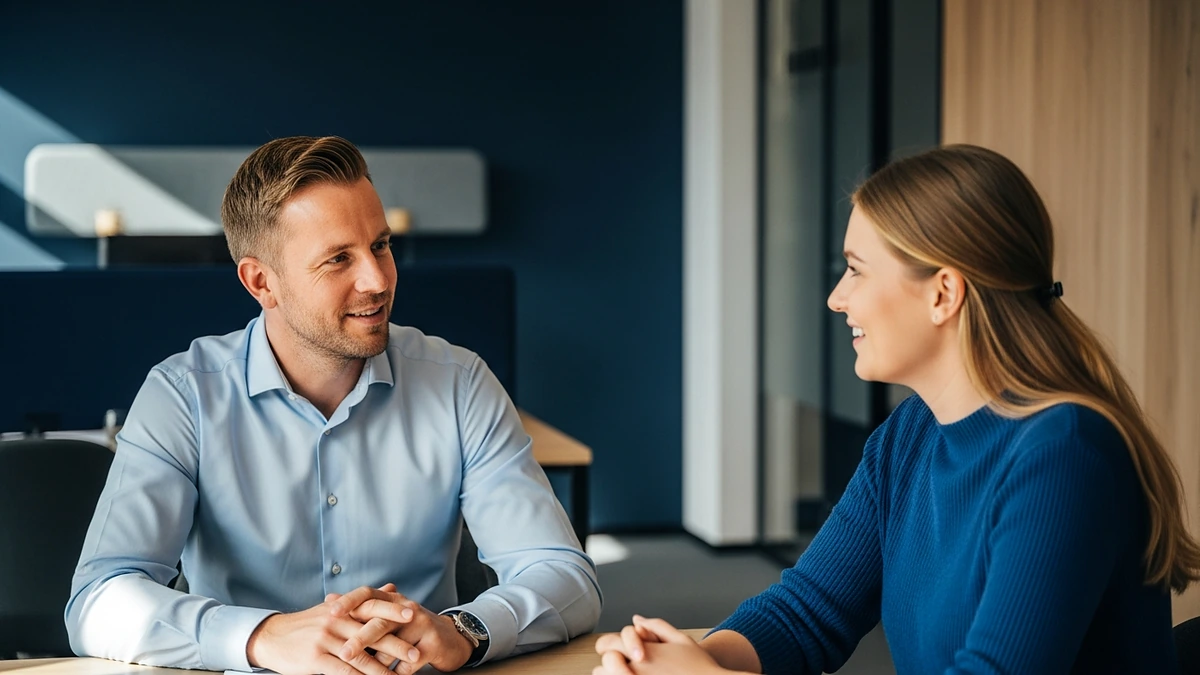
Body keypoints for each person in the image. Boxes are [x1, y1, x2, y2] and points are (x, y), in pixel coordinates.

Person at [595, 144, 1200, 674]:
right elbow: (808, 612)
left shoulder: (1064, 453)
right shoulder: (910, 435)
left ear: (943, 292)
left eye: (855, 271)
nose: (837, 299)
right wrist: (689, 656)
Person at [66, 136, 601, 675]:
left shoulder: (458, 382)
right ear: (261, 282)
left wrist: (462, 630)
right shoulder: (183, 395)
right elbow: (98, 600)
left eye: (381, 245)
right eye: (338, 259)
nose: (377, 280)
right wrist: (263, 636)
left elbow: (564, 575)